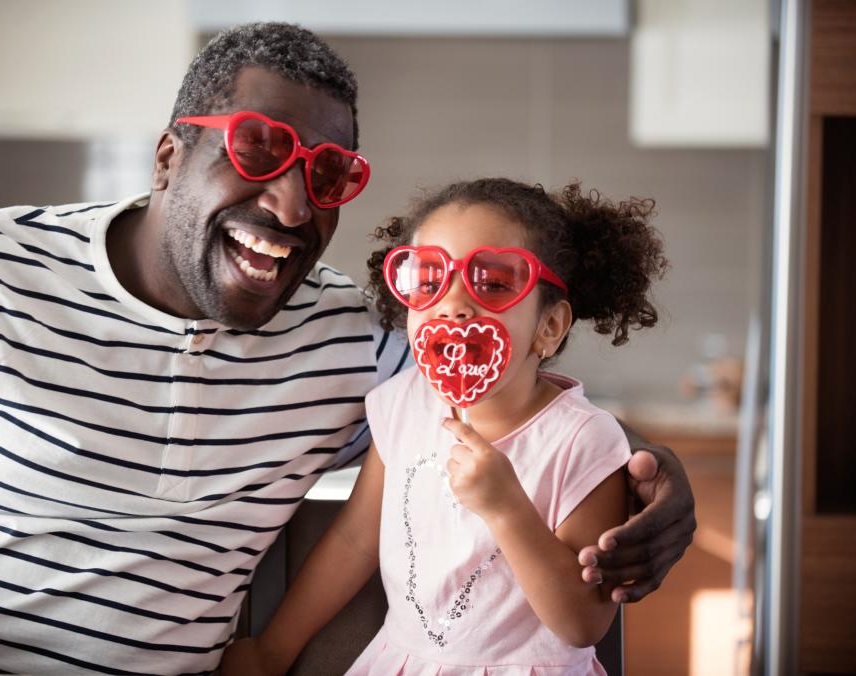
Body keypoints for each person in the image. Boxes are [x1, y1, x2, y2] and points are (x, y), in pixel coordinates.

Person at [0, 22, 693, 675]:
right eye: (257, 149)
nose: (295, 205)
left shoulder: (351, 340)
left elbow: (509, 398)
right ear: (169, 156)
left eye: (329, 173)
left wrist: (650, 480)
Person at [221, 177, 671, 675]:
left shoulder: (582, 442)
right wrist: (271, 652)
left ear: (549, 327)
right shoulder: (404, 405)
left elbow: (583, 624)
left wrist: (506, 509)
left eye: (494, 283)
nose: (453, 304)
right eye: (429, 280)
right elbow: (354, 541)